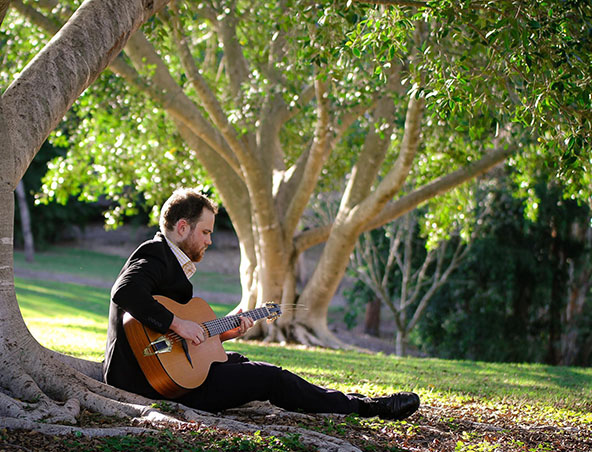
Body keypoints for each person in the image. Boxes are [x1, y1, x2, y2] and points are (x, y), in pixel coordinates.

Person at [103, 188, 420, 420]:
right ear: (182, 227)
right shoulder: (156, 254)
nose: (210, 241)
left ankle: (349, 401)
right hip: (147, 380)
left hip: (171, 375)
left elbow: (182, 341)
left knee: (239, 361)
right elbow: (125, 291)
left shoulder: (171, 263)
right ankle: (365, 408)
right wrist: (180, 324)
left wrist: (223, 332)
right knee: (271, 377)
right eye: (205, 232)